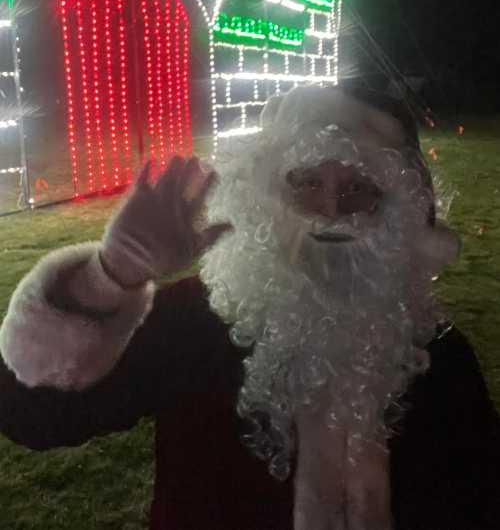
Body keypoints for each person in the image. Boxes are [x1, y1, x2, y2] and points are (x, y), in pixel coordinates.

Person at [0, 85, 498, 530]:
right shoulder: (195, 321)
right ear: (267, 194)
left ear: (397, 211)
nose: (329, 213)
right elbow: (32, 415)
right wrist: (109, 277)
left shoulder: (437, 356)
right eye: (306, 182)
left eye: (358, 191)